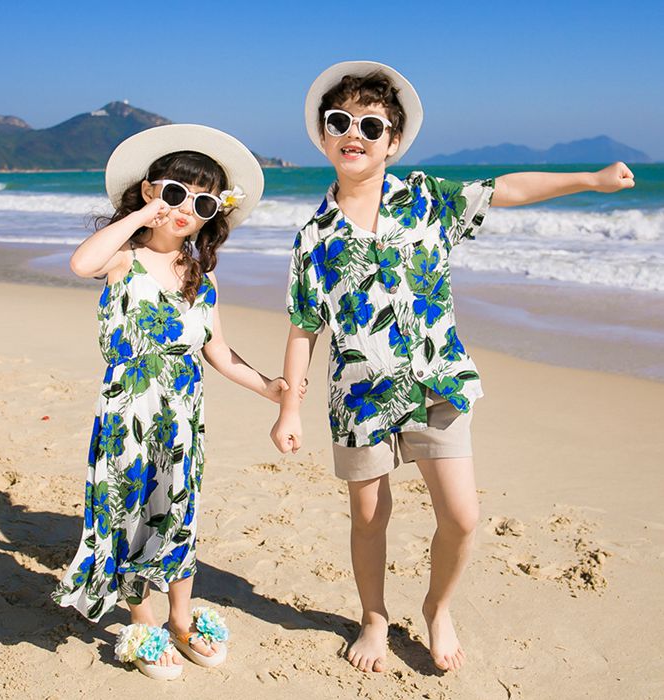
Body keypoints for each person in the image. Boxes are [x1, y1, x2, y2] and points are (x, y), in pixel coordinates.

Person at [270, 61, 635, 674]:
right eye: (340, 122)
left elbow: (503, 189)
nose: (354, 134)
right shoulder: (314, 235)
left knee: (462, 518)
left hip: (437, 382)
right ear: (324, 135)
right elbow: (304, 326)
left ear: (392, 141)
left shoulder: (425, 198)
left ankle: (437, 607)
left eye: (370, 125)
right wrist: (289, 408)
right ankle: (373, 617)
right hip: (359, 399)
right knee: (369, 518)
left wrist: (590, 180)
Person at [53, 124, 304, 680]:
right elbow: (80, 264)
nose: (187, 208)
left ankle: (181, 619)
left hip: (183, 419)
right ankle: (142, 621)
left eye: (203, 202)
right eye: (175, 193)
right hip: (128, 413)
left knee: (179, 514)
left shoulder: (200, 276)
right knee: (132, 513)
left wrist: (268, 387)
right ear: (149, 192)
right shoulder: (124, 257)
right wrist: (143, 217)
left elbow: (219, 352)